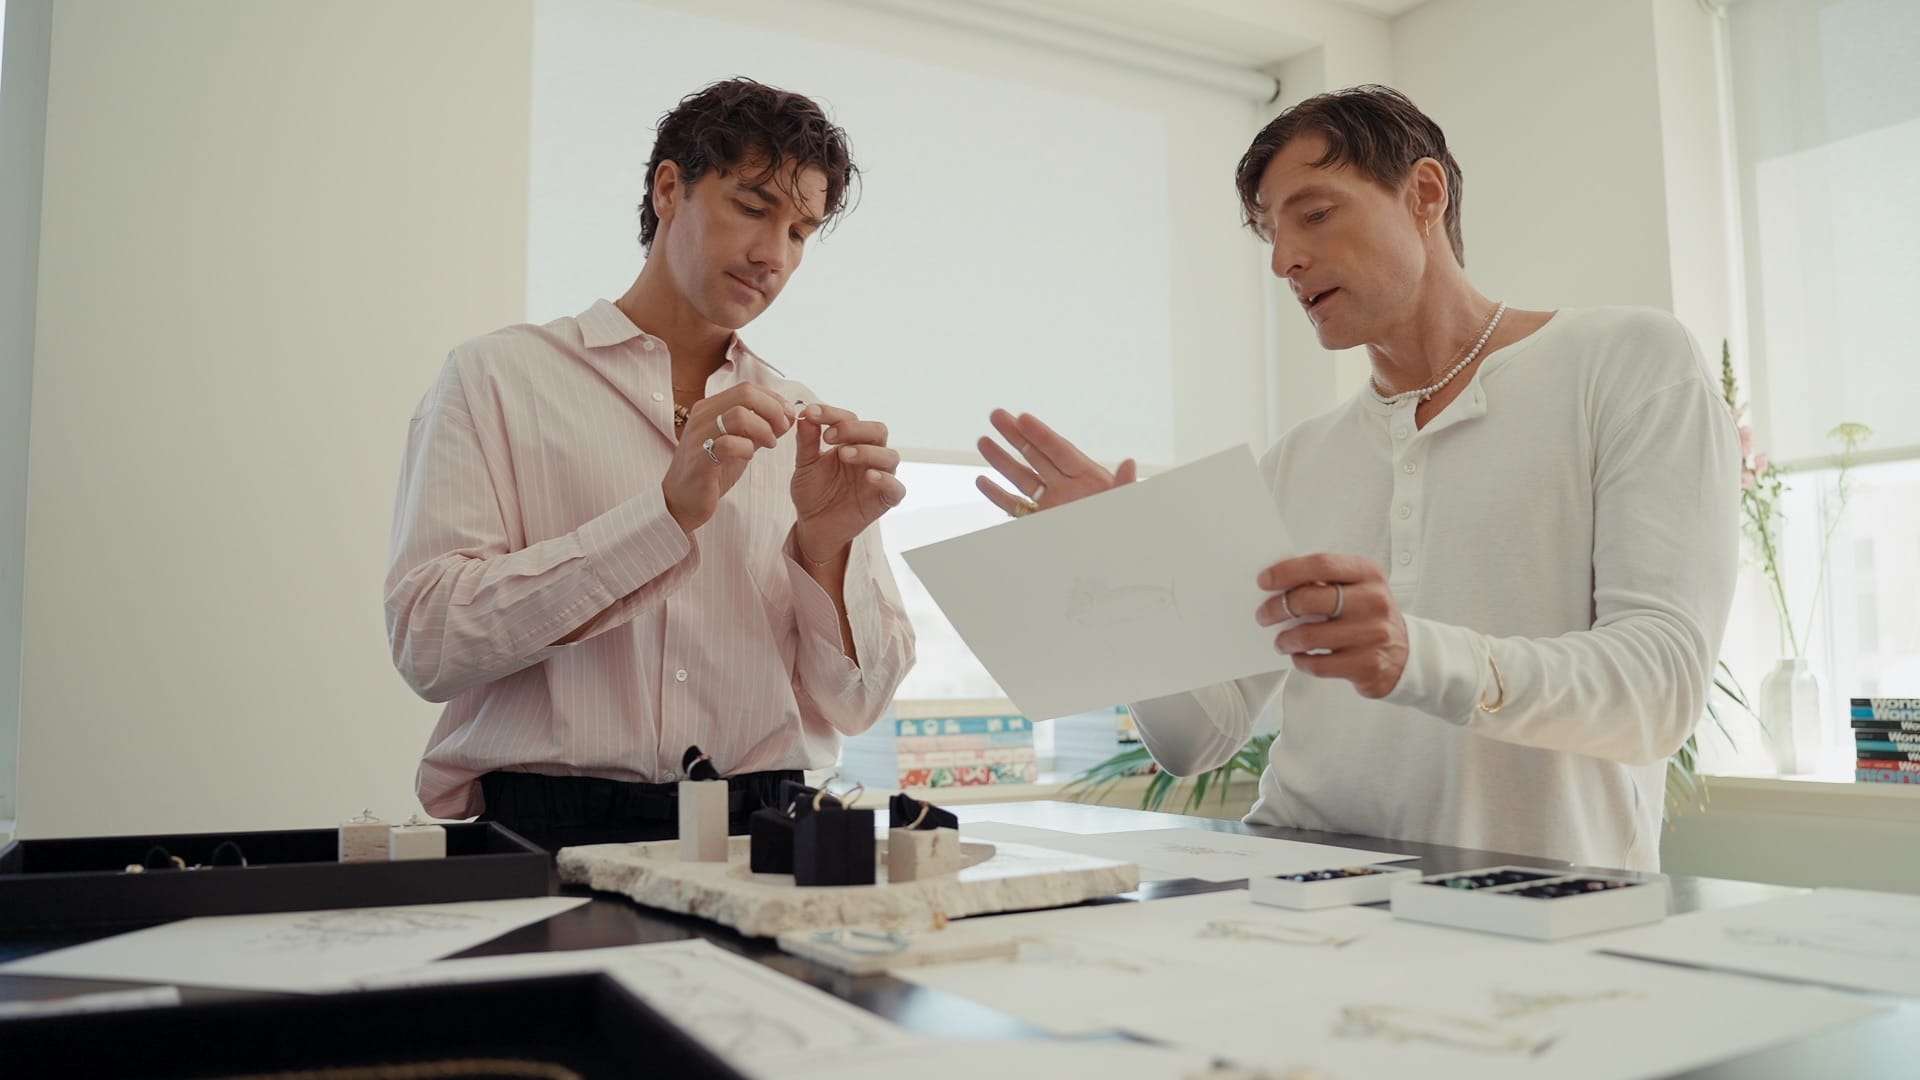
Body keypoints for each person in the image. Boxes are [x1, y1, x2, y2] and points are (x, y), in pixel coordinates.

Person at [977, 85, 1737, 871]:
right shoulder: (1298, 460)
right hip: (1299, 898)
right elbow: (1197, 740)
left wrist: (1414, 655)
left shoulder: (1628, 363)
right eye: (1269, 234)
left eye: (1313, 214)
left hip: (1538, 910)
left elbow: (1660, 689)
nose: (1283, 260)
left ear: (1425, 194)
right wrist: (1115, 561)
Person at [385, 78, 915, 851]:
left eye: (800, 231)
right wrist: (663, 518)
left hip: (764, 831)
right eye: (753, 207)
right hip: (544, 831)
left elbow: (858, 704)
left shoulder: (805, 429)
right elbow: (430, 643)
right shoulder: (494, 378)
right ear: (671, 187)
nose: (773, 256)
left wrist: (827, 549)